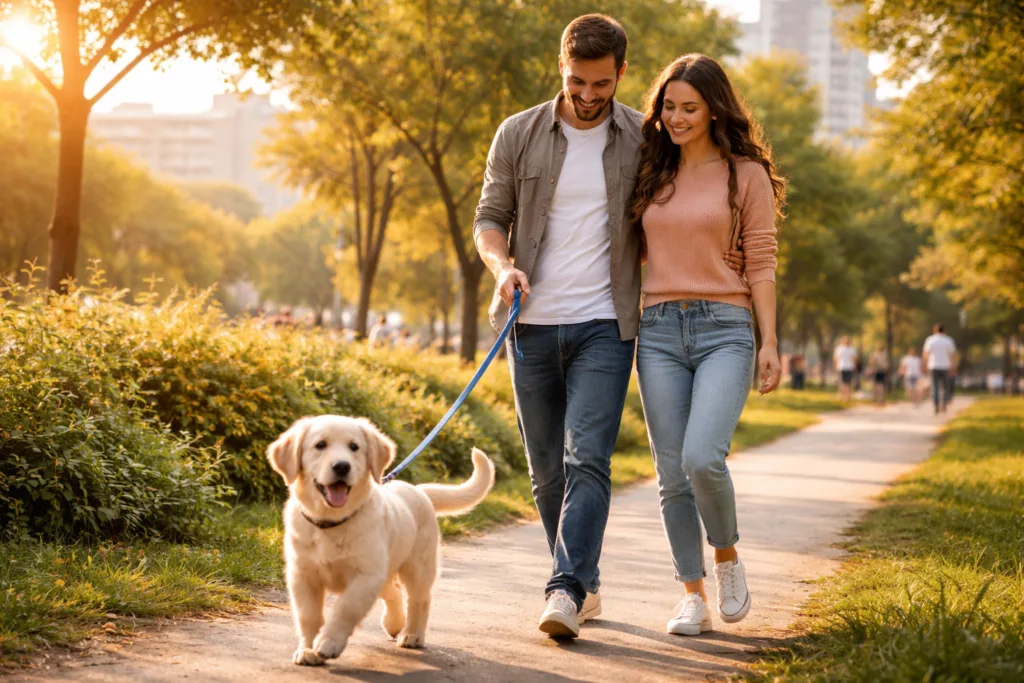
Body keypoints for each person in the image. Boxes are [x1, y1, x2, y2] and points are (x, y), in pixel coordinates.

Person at [473, 15, 745, 639]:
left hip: (607, 323)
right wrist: (503, 265)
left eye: (601, 83)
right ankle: (584, 581)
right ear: (560, 66)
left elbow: (699, 183)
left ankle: (564, 589)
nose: (588, 96)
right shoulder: (517, 133)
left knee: (587, 458)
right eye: (576, 82)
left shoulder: (645, 139)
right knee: (546, 470)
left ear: (622, 72)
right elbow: (490, 216)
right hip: (531, 322)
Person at [632, 53, 783, 637]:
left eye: (688, 108)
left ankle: (727, 558)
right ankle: (691, 594)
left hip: (725, 326)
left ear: (715, 108)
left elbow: (763, 263)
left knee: (702, 457)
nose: (675, 117)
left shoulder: (745, 175)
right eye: (668, 106)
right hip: (660, 329)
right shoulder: (653, 170)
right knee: (671, 472)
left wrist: (769, 342)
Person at [922, 323, 957, 414]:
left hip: (933, 366)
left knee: (935, 386)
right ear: (944, 330)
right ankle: (944, 404)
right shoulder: (948, 340)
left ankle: (936, 404)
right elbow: (953, 355)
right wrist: (953, 367)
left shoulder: (930, 340)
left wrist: (924, 365)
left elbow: (926, 354)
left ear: (935, 330)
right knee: (946, 386)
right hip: (945, 366)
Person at [833, 336, 858, 404]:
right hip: (841, 367)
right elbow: (836, 358)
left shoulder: (852, 349)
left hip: (849, 367)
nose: (847, 342)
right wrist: (836, 366)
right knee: (841, 382)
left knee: (848, 382)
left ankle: (848, 396)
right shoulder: (839, 349)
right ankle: (841, 395)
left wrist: (854, 366)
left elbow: (854, 358)